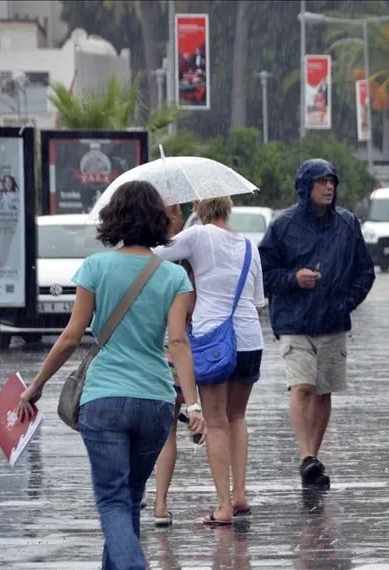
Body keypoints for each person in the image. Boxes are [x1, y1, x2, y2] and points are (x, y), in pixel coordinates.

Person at [15, 180, 205, 570]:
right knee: (128, 499)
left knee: (112, 500)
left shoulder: (96, 267)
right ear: (159, 220)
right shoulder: (175, 276)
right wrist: (193, 405)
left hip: (104, 401)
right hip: (157, 401)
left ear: (114, 219)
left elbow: (70, 336)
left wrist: (36, 386)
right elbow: (177, 342)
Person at [258, 158, 375, 489]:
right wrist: (294, 279)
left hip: (333, 322)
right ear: (305, 187)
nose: (329, 187)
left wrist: (345, 302)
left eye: (332, 182)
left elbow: (365, 272)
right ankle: (306, 456)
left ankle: (313, 458)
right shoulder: (283, 227)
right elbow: (264, 274)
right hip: (294, 322)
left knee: (324, 391)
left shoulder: (347, 225)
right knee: (303, 386)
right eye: (321, 181)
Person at [153, 195, 265, 525]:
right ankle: (240, 493)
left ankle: (223, 506)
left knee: (215, 422)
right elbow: (258, 302)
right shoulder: (249, 245)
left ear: (198, 209)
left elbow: (157, 254)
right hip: (248, 339)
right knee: (237, 416)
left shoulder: (199, 235)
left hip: (213, 339)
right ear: (228, 208)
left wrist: (165, 215)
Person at [144, 201, 194, 526]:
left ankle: (135, 492)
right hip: (173, 357)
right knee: (168, 431)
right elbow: (190, 314)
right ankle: (160, 504)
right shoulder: (186, 262)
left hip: (140, 355)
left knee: (136, 432)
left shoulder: (135, 259)